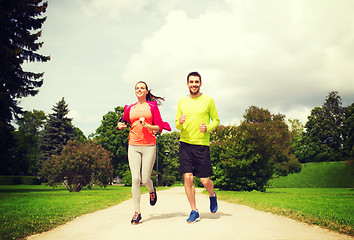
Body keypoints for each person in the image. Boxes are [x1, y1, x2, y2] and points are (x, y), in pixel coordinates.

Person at [117, 81, 171, 225]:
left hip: (149, 145)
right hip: (133, 145)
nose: (139, 90)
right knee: (135, 178)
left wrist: (147, 125)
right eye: (137, 88)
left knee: (145, 179)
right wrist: (120, 125)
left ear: (147, 91)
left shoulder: (152, 107)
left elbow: (159, 127)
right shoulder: (130, 108)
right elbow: (122, 120)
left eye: (142, 88)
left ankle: (151, 189)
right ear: (135, 91)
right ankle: (137, 212)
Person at [175, 71, 220, 223]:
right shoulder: (181, 102)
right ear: (187, 84)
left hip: (201, 145)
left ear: (200, 84)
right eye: (191, 82)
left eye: (196, 82)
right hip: (185, 144)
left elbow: (216, 120)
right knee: (187, 178)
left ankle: (212, 195)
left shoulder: (208, 100)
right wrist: (180, 122)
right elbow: (177, 125)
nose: (194, 84)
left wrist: (207, 127)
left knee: (205, 181)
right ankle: (194, 210)